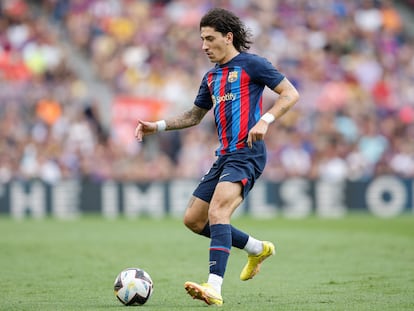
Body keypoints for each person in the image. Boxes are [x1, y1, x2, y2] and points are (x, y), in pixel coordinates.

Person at [135, 7, 300, 306]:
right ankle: (256, 248)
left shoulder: (252, 65)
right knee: (194, 221)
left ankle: (214, 287)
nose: (204, 46)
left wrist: (266, 120)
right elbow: (194, 115)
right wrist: (157, 126)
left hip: (246, 154)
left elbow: (290, 94)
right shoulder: (211, 77)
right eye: (201, 39)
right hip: (224, 156)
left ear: (228, 36)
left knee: (218, 213)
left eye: (210, 39)